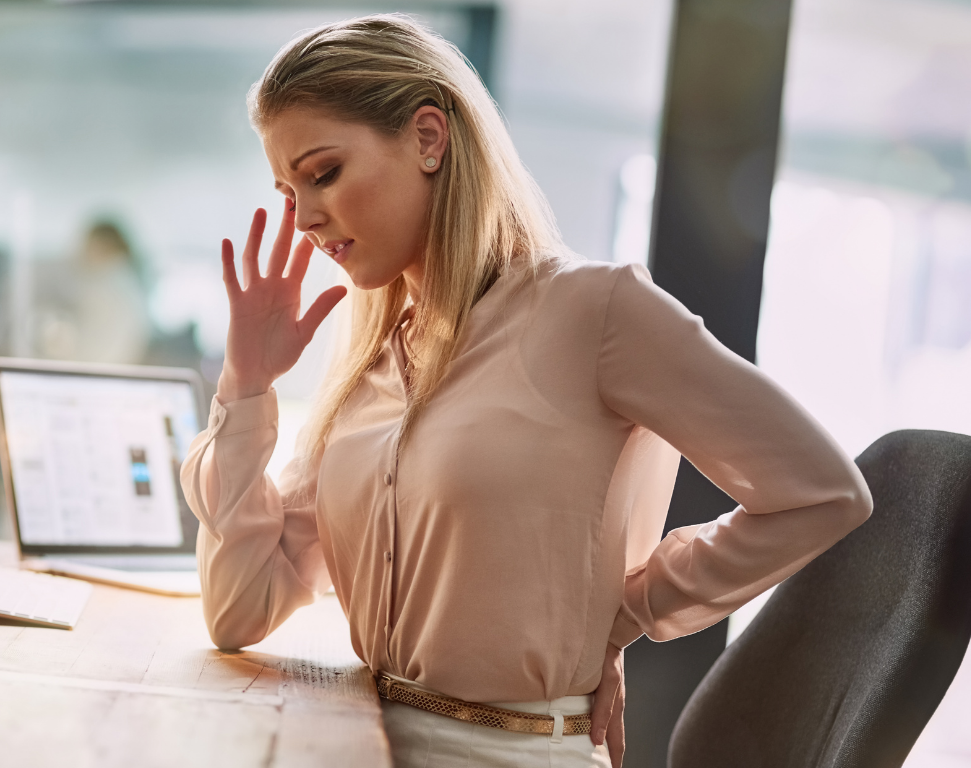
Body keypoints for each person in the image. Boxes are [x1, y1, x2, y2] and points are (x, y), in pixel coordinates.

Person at [180, 15, 872, 768]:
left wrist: (627, 608)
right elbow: (238, 612)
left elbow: (823, 491)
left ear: (428, 139)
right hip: (363, 742)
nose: (306, 218)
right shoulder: (373, 367)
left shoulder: (596, 311)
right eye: (287, 192)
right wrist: (246, 387)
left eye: (323, 174)